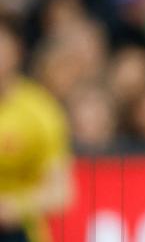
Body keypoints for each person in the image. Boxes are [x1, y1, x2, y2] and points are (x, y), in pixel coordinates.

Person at [0, 20, 73, 242]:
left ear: (17, 52)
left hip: (18, 233)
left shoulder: (40, 110)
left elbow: (61, 192)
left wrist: (15, 207)